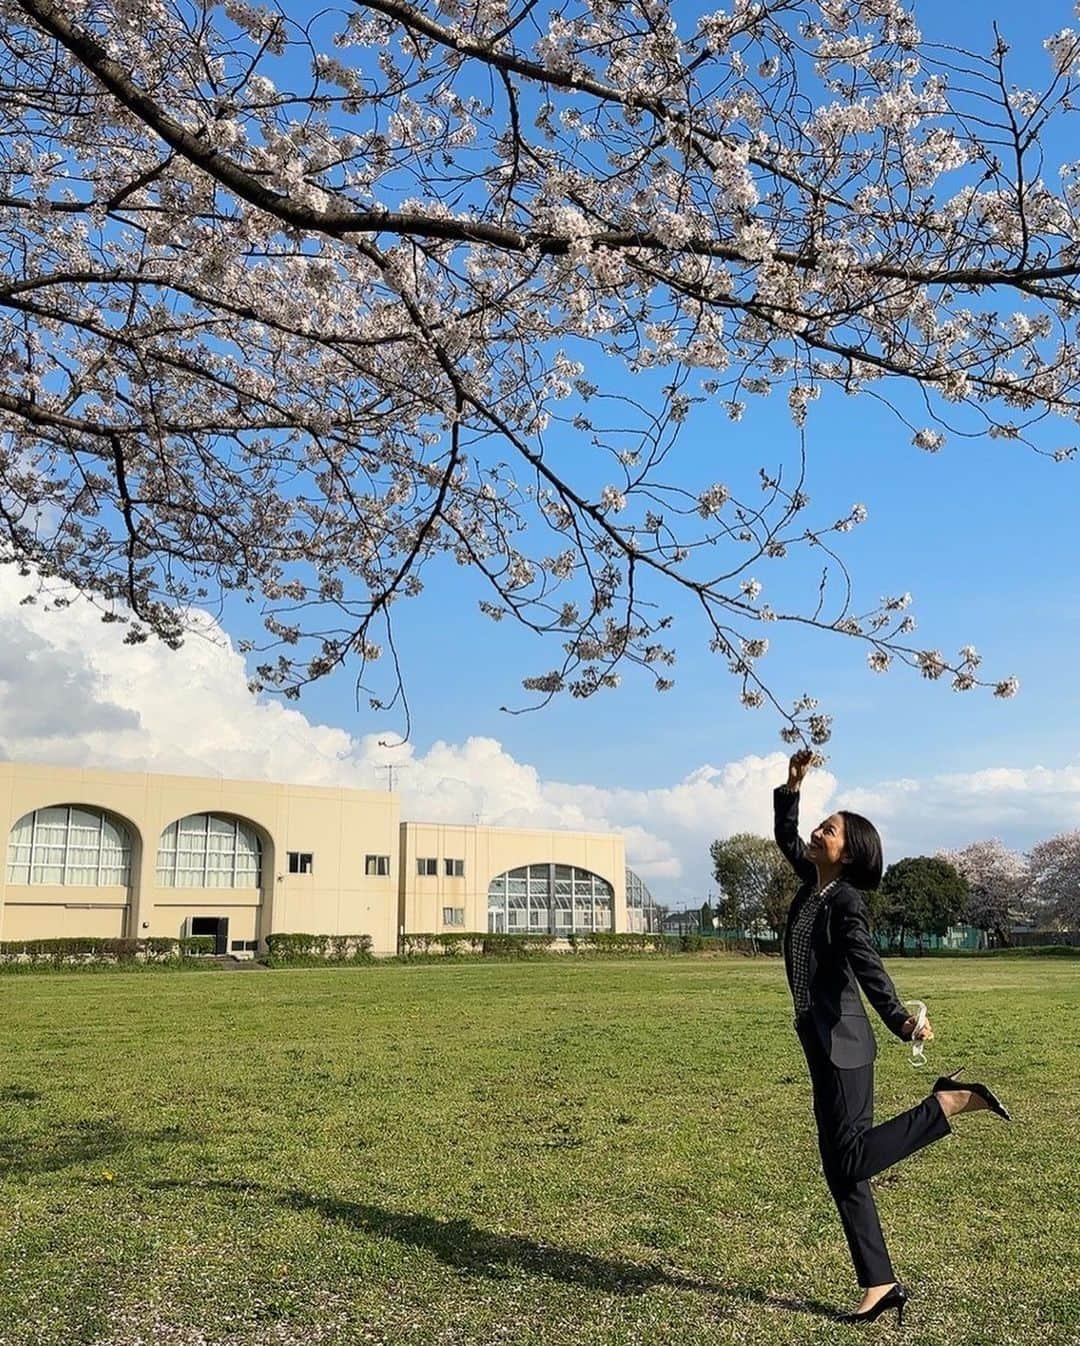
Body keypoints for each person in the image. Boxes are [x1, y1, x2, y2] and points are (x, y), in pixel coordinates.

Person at [775, 748, 1011, 1325]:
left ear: (849, 851)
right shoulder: (814, 883)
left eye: (827, 830)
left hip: (846, 1045)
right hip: (819, 1038)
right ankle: (878, 1283)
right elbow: (787, 838)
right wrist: (792, 785)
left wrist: (904, 1019)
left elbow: (868, 965)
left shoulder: (846, 903)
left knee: (848, 1159)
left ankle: (946, 1102)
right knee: (841, 1166)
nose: (816, 832)